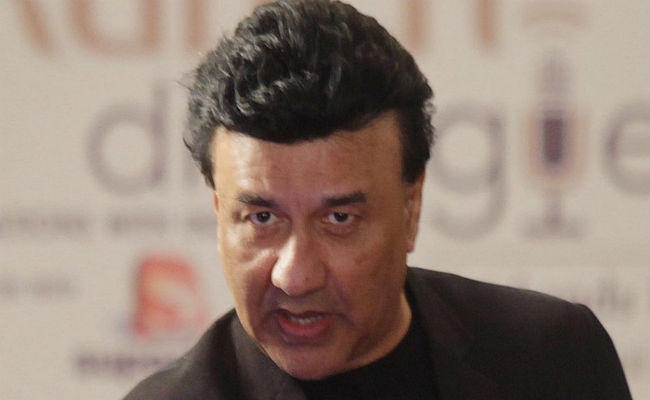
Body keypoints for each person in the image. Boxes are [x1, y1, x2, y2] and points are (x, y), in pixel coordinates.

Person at [123, 1, 632, 399]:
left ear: (411, 210)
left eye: (338, 218)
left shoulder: (555, 359)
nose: (295, 277)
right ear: (219, 215)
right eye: (262, 217)